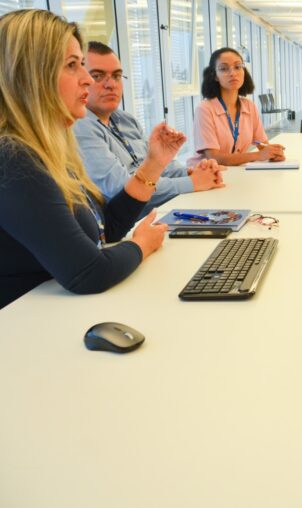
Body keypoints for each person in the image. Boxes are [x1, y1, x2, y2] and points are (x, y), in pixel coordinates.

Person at [0, 9, 181, 309]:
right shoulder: (13, 158)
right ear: (30, 75)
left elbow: (104, 228)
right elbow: (87, 272)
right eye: (73, 66)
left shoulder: (49, 147)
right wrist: (141, 245)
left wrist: (154, 163)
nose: (87, 80)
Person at [73, 41, 223, 215]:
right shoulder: (81, 126)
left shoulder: (125, 120)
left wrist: (193, 172)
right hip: (131, 226)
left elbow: (157, 167)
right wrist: (192, 182)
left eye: (116, 76)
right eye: (98, 76)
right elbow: (121, 187)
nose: (111, 84)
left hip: (161, 211)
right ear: (81, 79)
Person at [187, 47, 285, 167]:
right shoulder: (205, 109)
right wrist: (258, 156)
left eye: (238, 67)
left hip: (234, 172)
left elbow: (261, 143)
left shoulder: (249, 106)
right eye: (224, 69)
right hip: (206, 174)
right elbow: (214, 157)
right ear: (215, 76)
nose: (232, 73)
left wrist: (273, 153)